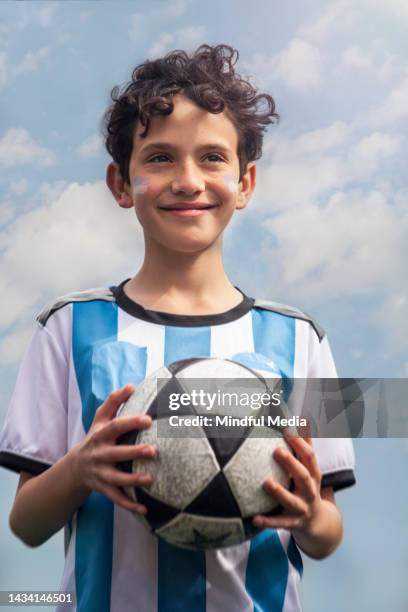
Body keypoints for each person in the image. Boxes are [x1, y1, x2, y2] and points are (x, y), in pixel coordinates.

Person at [0, 44, 355, 611]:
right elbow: (26, 523)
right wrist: (80, 468)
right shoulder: (66, 327)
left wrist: (311, 514)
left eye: (212, 157)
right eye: (160, 158)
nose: (188, 180)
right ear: (121, 183)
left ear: (245, 183)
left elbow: (328, 535)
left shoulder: (302, 337)